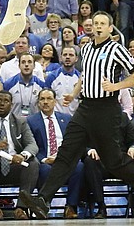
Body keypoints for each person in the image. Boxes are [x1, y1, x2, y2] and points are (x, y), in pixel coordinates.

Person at [23, 12, 134, 220]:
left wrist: (116, 86)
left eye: (102, 24)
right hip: (85, 108)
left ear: (110, 28)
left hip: (106, 109)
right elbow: (86, 75)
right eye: (95, 23)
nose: (98, 27)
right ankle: (43, 200)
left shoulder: (116, 48)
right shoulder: (86, 48)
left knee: (113, 160)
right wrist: (74, 93)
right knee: (66, 153)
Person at [0, 91, 40, 219]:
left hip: (15, 163)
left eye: (6, 101)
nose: (2, 103)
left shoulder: (20, 121)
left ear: (11, 104)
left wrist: (23, 155)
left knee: (33, 164)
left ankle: (21, 208)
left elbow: (32, 145)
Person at [27, 88, 87, 220]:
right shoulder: (30, 121)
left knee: (79, 167)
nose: (46, 102)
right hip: (44, 160)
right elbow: (30, 145)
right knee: (45, 169)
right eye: (42, 99)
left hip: (65, 159)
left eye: (49, 99)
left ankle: (71, 207)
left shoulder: (66, 119)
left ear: (55, 102)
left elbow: (74, 142)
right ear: (38, 103)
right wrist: (44, 159)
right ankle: (44, 205)